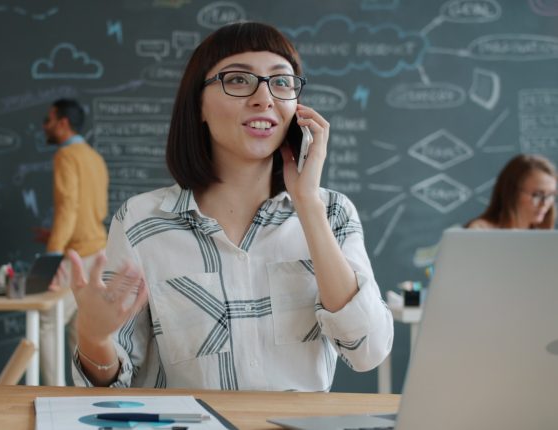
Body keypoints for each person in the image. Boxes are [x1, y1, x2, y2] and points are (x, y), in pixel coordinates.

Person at [66, 22, 393, 391]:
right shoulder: (142, 220)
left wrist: (307, 203)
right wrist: (94, 337)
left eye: (281, 82)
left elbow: (368, 352)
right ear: (198, 106)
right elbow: (109, 388)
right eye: (238, 80)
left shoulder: (332, 212)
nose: (264, 97)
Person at [38, 98, 109, 386]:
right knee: (82, 328)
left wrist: (54, 254)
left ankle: (54, 391)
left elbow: (68, 207)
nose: (45, 126)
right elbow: (96, 210)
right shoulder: (94, 157)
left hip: (76, 255)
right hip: (99, 251)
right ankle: (86, 392)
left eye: (49, 119)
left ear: (63, 123)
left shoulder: (66, 156)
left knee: (47, 321)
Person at [466, 154, 557, 229]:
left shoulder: (544, 236)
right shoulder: (480, 231)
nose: (544, 203)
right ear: (513, 193)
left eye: (551, 195)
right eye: (537, 195)